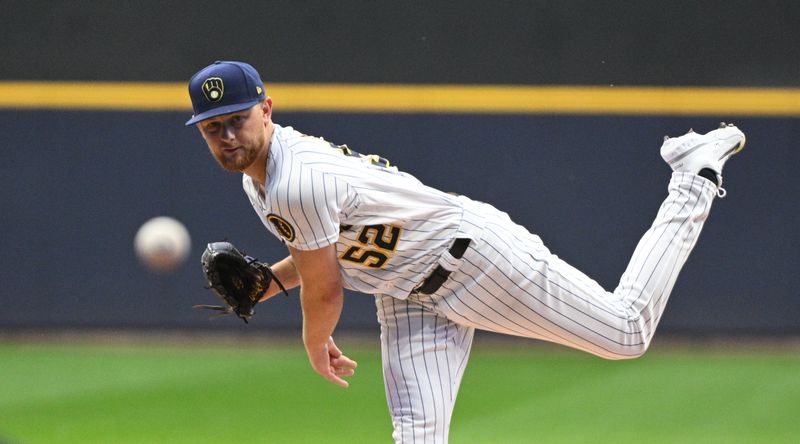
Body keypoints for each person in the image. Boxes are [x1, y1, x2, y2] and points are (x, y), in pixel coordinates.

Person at [186, 60, 745, 443]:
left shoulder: (293, 181)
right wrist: (269, 284)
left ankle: (693, 176)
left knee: (626, 332)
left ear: (267, 109)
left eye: (237, 119)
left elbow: (326, 287)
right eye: (214, 128)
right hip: (405, 293)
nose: (228, 135)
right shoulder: (262, 176)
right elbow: (326, 258)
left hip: (474, 261)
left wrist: (314, 341)